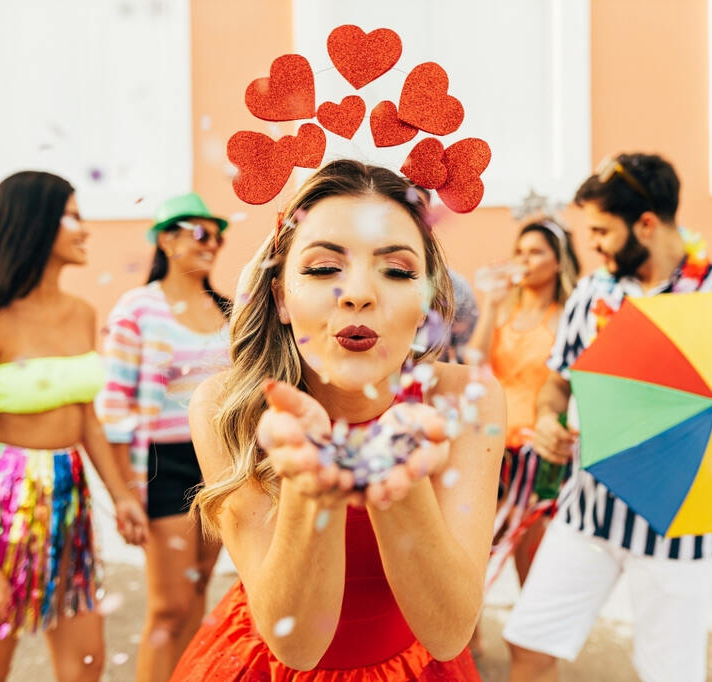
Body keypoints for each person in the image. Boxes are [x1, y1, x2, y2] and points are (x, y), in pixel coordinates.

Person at [170, 160, 506, 680]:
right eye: (324, 268)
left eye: (397, 271)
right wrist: (311, 487)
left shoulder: (466, 400)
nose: (359, 293)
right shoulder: (226, 407)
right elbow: (297, 646)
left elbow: (448, 633)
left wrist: (398, 477)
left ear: (426, 305)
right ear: (280, 296)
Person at [504, 153, 712, 682]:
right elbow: (559, 383)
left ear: (647, 224)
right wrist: (547, 420)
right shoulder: (594, 293)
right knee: (529, 644)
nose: (594, 245)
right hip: (588, 513)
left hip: (683, 535)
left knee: (668, 675)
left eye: (602, 231)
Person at [0, 171, 149, 682]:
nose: (84, 228)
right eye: (72, 216)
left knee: (86, 665)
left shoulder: (81, 313)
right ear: (33, 223)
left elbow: (86, 416)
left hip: (68, 501)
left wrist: (122, 496)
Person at [98, 193, 232, 681]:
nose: (211, 244)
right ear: (167, 241)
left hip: (219, 461)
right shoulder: (138, 309)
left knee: (198, 591)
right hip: (162, 465)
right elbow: (114, 406)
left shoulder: (228, 311)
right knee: (169, 607)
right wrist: (124, 493)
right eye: (199, 233)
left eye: (216, 236)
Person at [468, 218, 580, 590]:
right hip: (495, 444)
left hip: (537, 450)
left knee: (530, 554)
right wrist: (490, 305)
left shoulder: (565, 318)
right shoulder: (502, 312)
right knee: (479, 549)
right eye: (520, 251)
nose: (524, 260)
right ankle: (470, 627)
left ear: (558, 262)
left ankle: (532, 624)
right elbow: (475, 363)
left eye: (536, 252)